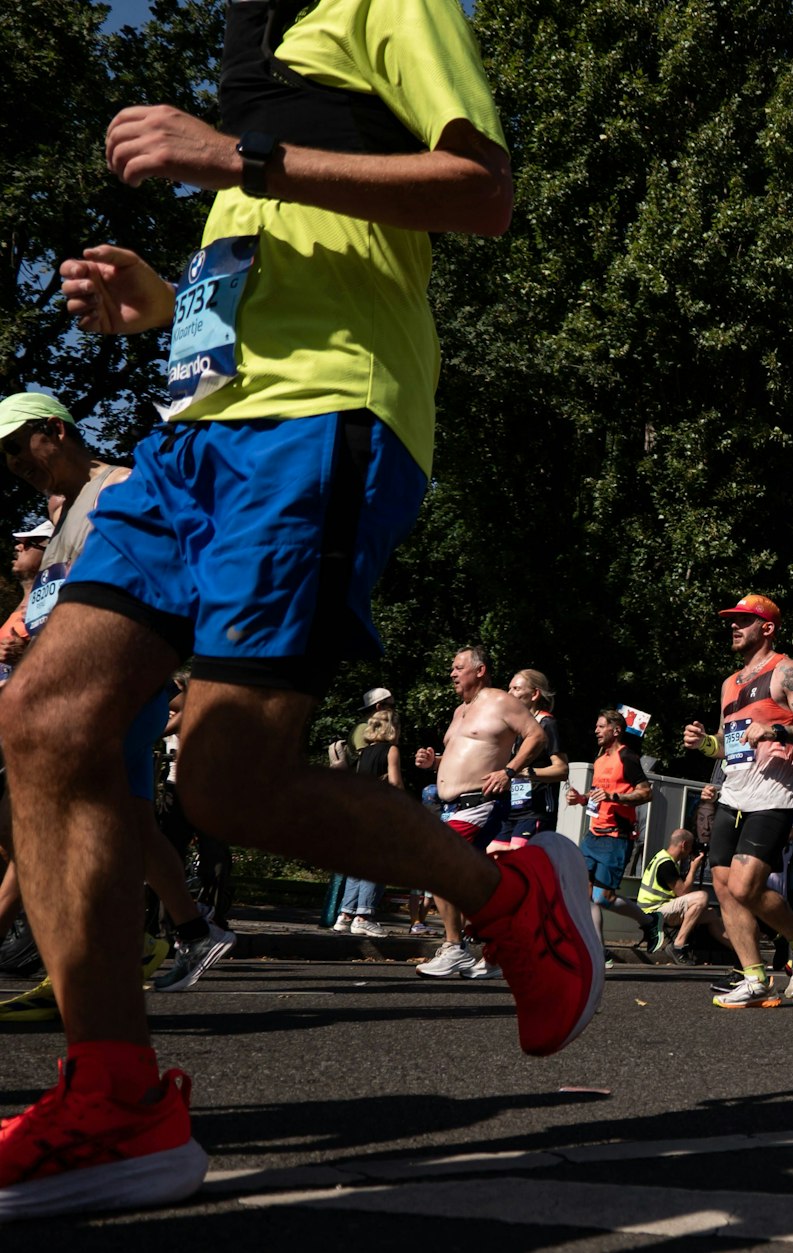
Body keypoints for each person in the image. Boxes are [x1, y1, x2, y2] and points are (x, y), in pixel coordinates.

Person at [1, 0, 602, 1220]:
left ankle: (508, 893)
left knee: (227, 782)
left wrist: (232, 157)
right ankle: (114, 1099)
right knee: (45, 723)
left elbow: (481, 190)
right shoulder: (251, 45)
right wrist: (164, 306)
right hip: (200, 434)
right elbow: (273, 277)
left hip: (323, 425)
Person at [0, 395, 232, 1010]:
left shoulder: (118, 487)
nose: (12, 461)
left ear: (55, 429)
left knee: (51, 812)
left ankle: (95, 959)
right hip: (86, 683)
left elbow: (162, 577)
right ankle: (188, 930)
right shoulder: (68, 511)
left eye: (16, 445)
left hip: (115, 684)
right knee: (123, 819)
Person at [682, 593, 793, 1009]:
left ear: (766, 628)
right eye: (732, 621)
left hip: (774, 795)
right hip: (734, 790)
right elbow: (725, 744)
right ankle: (754, 978)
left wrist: (776, 732)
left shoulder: (787, 672)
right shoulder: (729, 683)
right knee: (724, 887)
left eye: (743, 621)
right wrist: (704, 743)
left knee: (747, 886)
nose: (734, 627)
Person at [410, 646, 547, 979]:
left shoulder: (500, 701)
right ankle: (499, 949)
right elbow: (464, 755)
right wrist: (435, 762)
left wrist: (510, 771)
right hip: (450, 806)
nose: (452, 673)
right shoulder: (460, 711)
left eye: (458, 667)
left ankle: (455, 948)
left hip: (479, 804)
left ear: (480, 670)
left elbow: (536, 735)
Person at [566, 709, 652, 941]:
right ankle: (597, 950)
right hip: (593, 835)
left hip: (616, 837)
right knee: (583, 894)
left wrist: (614, 797)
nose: (596, 730)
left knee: (603, 897)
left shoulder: (627, 757)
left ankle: (649, 921)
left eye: (601, 726)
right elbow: (598, 795)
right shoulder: (600, 759)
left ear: (616, 730)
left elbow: (646, 793)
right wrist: (581, 799)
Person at [333, 708, 405, 937]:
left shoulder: (364, 753)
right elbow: (395, 784)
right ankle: (364, 916)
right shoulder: (391, 750)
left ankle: (345, 915)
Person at [498, 670, 570, 846]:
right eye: (509, 688)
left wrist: (528, 772)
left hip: (535, 811)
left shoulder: (547, 724)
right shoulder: (511, 726)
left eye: (516, 688)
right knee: (493, 857)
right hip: (510, 807)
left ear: (534, 694)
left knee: (519, 858)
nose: (509, 694)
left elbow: (562, 770)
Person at [636, 828, 724, 961]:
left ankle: (737, 952)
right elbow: (683, 892)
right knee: (702, 897)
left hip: (658, 909)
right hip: (653, 912)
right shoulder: (666, 864)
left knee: (711, 914)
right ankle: (678, 945)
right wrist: (693, 869)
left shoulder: (663, 857)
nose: (691, 851)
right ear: (684, 845)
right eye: (691, 847)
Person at [0, 522, 52, 688]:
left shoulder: (55, 604)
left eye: (30, 543)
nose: (18, 547)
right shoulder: (19, 608)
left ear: (50, 551)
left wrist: (24, 655)